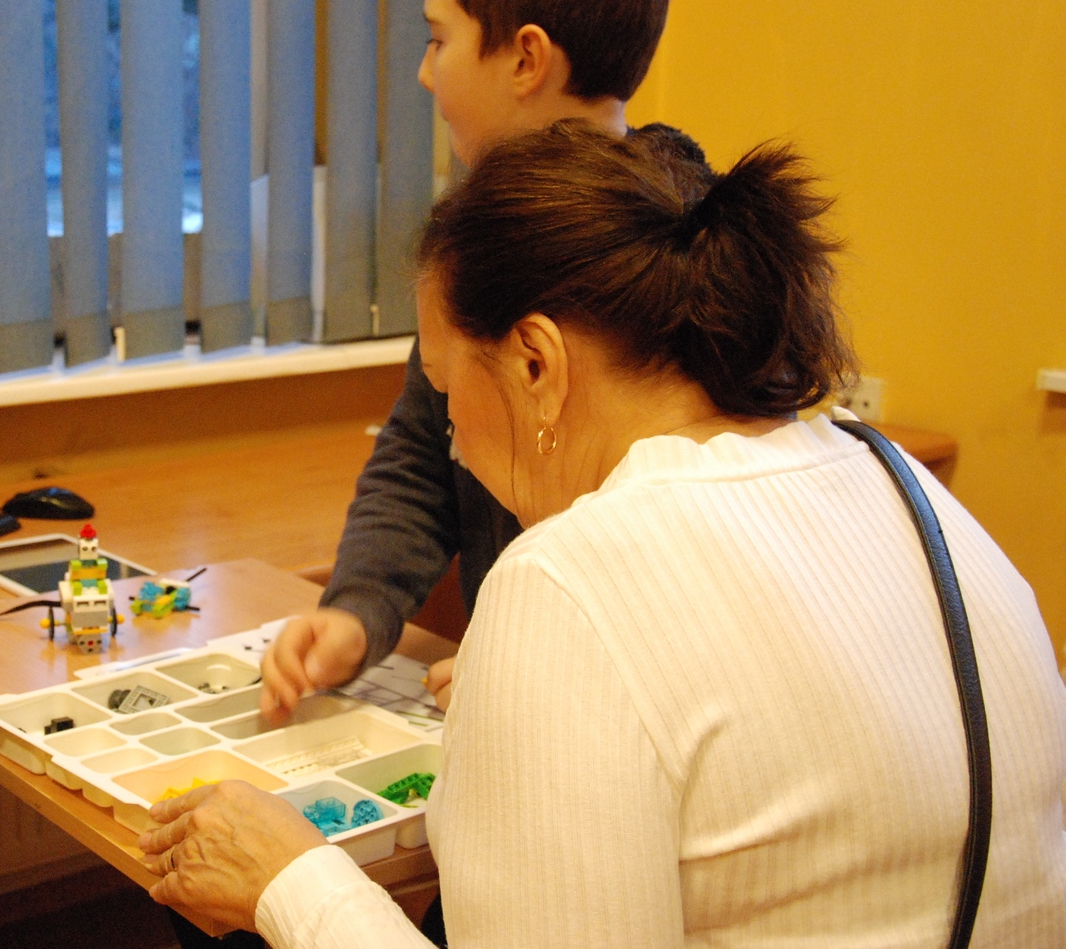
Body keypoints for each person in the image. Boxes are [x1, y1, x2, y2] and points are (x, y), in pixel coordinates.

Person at [141, 123, 1066, 945]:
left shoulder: (563, 587)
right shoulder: (907, 487)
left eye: (447, 386)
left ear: (536, 365)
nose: (449, 429)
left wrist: (292, 882)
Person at [263, 0, 675, 721]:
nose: (424, 73)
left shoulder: (680, 258)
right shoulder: (479, 242)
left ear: (525, 58)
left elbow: (672, 546)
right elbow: (426, 450)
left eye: (438, 40)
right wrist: (358, 609)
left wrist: (538, 665)